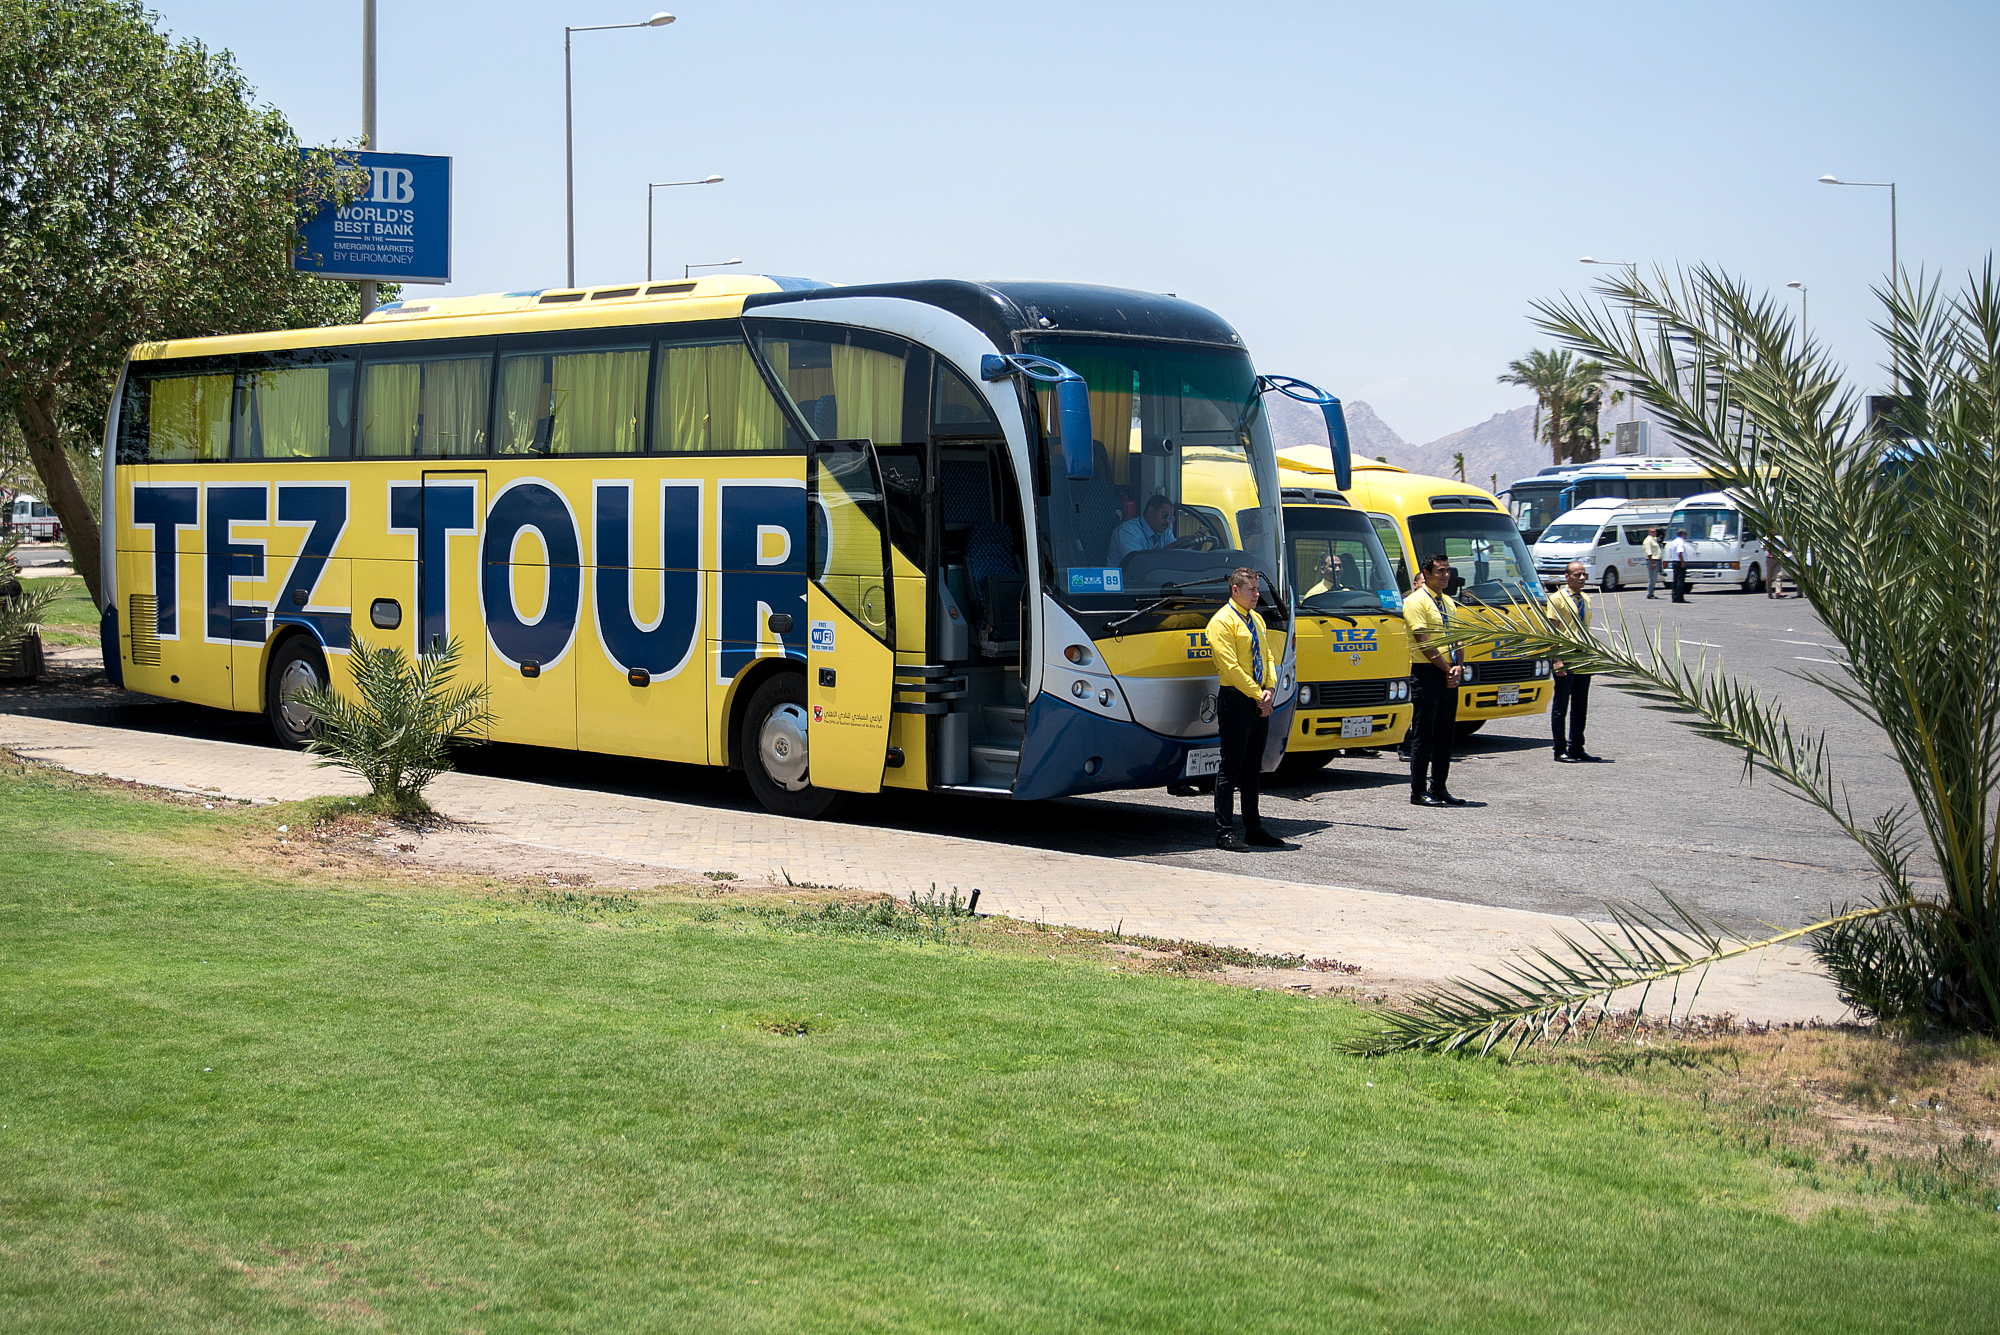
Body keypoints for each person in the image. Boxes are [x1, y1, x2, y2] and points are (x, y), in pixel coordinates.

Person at [1205, 568, 1287, 851]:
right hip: (1236, 699)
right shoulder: (1222, 622)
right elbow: (1230, 667)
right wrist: (1257, 694)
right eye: (1251, 589)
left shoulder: (1256, 619)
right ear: (1235, 590)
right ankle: (1224, 831)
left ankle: (1254, 828)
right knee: (1231, 768)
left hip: (1258, 698)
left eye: (1257, 589)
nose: (1257, 595)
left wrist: (1270, 688)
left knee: (1253, 768)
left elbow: (1268, 656)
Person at [1403, 553, 1466, 807]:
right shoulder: (1416, 601)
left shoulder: (1448, 602)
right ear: (1426, 574)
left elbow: (1458, 637)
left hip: (1449, 671)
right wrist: (1447, 668)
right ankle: (1418, 791)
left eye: (1448, 570)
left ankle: (1439, 786)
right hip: (1427, 672)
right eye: (1440, 571)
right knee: (1424, 734)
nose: (1446, 575)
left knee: (1445, 735)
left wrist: (1458, 667)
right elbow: (1424, 642)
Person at [1548, 561, 1597, 762]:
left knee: (1580, 704)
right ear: (1567, 577)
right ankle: (1560, 748)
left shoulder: (1586, 598)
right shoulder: (1557, 599)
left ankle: (1577, 745)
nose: (1582, 578)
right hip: (1565, 654)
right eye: (1577, 575)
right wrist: (1557, 659)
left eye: (1584, 574)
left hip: (1583, 655)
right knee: (1561, 705)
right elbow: (1552, 631)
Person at [1108, 494, 1177, 562]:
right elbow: (1138, 561)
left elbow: (1174, 553)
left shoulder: (1165, 531)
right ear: (1150, 511)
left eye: (1171, 518)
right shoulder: (1127, 530)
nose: (1168, 521)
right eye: (1165, 515)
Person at [1668, 528, 1690, 603]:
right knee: (1680, 581)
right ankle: (1680, 597)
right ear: (1683, 534)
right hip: (1679, 562)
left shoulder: (1674, 541)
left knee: (1675, 580)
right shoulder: (1681, 542)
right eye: (1685, 534)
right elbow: (1679, 553)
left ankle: (1674, 596)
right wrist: (1683, 562)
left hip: (1674, 561)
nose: (1686, 536)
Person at [1643, 527, 1663, 599]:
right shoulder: (1648, 540)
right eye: (1652, 532)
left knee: (1654, 578)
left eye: (1655, 531)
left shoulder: (1654, 539)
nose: (1654, 533)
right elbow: (1649, 553)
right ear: (1648, 532)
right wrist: (1652, 563)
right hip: (1652, 560)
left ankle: (1651, 593)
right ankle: (1650, 594)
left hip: (1657, 560)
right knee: (1652, 578)